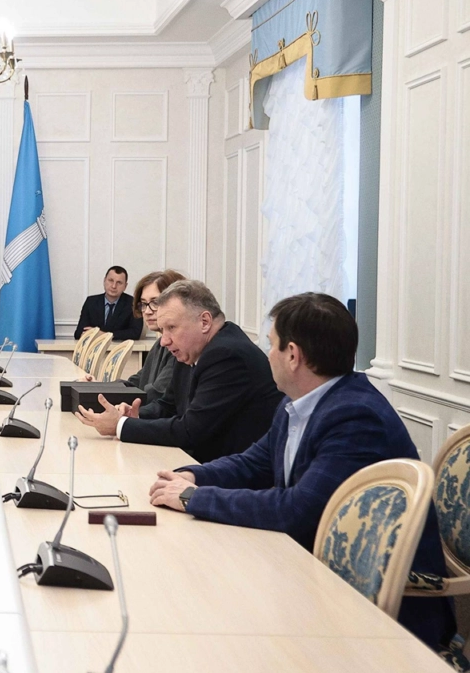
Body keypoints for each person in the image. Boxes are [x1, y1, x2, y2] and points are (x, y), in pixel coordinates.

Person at [147, 292, 455, 649]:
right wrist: (192, 476)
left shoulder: (355, 416)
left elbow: (296, 511)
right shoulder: (296, 403)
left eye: (271, 345)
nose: (267, 355)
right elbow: (254, 462)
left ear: (292, 355)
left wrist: (194, 498)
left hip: (380, 619)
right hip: (314, 574)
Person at [76, 279, 282, 463]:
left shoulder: (227, 354)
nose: (164, 341)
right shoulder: (192, 349)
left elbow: (191, 431)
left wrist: (121, 425)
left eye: (172, 328)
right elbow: (168, 406)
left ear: (204, 322)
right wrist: (132, 415)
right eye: (162, 330)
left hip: (232, 476)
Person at [82, 269, 184, 405]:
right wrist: (99, 388)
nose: (147, 311)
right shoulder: (160, 343)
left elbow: (155, 395)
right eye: (144, 304)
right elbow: (136, 382)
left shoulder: (181, 347)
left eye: (155, 302)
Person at [72, 266, 143, 341]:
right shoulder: (91, 302)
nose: (114, 286)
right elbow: (78, 333)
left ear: (125, 286)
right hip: (94, 347)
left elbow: (135, 333)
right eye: (111, 280)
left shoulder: (134, 304)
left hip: (120, 346)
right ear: (104, 281)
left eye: (119, 283)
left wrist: (105, 335)